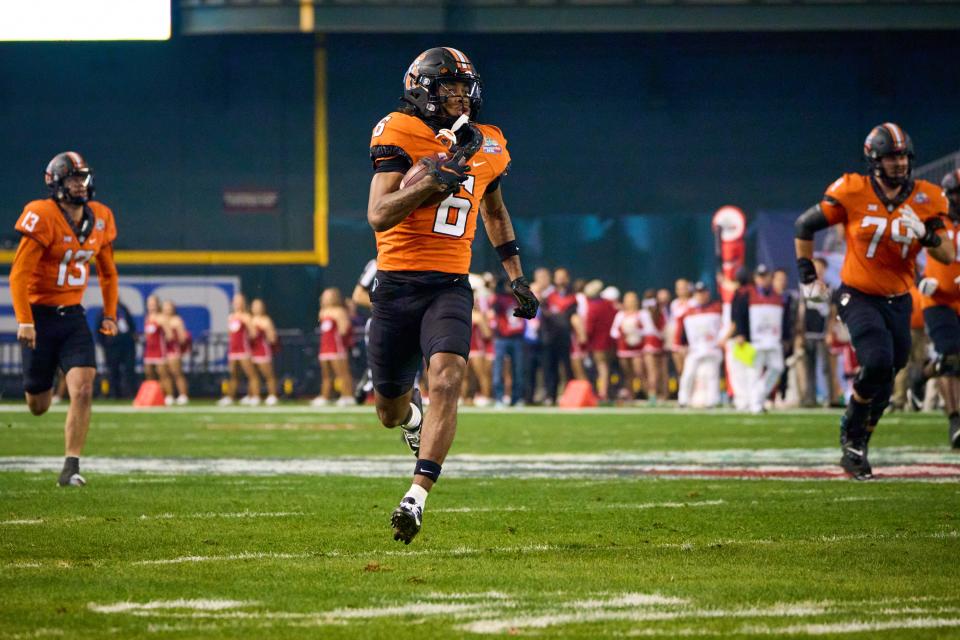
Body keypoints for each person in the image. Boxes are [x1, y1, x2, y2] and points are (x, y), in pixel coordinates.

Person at [366, 46, 537, 543]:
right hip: (397, 284)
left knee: (447, 375)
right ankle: (411, 416)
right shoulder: (397, 130)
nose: (460, 96)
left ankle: (416, 496)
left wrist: (516, 276)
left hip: (450, 284)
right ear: (421, 86)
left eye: (465, 87)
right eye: (449, 87)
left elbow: (494, 211)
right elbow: (379, 215)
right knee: (389, 411)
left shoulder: (489, 143)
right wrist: (431, 181)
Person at [794, 122, 955, 478]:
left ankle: (859, 443)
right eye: (891, 156)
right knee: (878, 361)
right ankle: (851, 429)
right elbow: (804, 225)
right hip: (858, 294)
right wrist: (807, 277)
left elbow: (946, 254)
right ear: (874, 159)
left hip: (899, 298)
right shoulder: (852, 189)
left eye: (903, 156)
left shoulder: (927, 196)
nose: (899, 163)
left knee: (888, 373)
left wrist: (926, 234)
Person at [10, 151, 118, 486]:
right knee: (38, 404)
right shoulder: (41, 214)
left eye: (83, 177)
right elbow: (18, 274)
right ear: (56, 182)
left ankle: (71, 465)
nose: (80, 185)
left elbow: (109, 273)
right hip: (40, 317)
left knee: (84, 389)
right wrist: (25, 320)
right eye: (72, 178)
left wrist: (110, 314)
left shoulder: (100, 216)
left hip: (72, 317)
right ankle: (50, 375)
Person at [918, 170, 960, 445]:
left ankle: (919, 375)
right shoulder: (935, 218)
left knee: (952, 359)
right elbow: (902, 250)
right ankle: (955, 421)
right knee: (952, 355)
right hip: (937, 300)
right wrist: (919, 279)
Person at [729, 265, 784, 414]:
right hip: (755, 341)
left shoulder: (777, 295)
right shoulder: (746, 293)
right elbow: (738, 314)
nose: (762, 279)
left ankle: (757, 396)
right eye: (760, 276)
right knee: (754, 372)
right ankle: (755, 404)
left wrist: (785, 337)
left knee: (777, 367)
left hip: (773, 340)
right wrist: (740, 333)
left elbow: (782, 319)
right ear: (755, 278)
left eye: (765, 276)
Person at [677, 282, 724, 408]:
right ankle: (683, 400)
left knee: (712, 374)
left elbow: (723, 327)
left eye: (703, 292)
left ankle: (712, 400)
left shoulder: (717, 308)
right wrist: (682, 345)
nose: (701, 295)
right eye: (698, 293)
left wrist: (721, 340)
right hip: (695, 349)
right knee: (688, 374)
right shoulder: (688, 311)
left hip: (712, 347)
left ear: (708, 293)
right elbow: (682, 330)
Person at [313, 288, 354, 407]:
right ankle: (325, 396)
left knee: (342, 373)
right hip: (324, 348)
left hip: (337, 348)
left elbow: (344, 329)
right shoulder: (322, 312)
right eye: (324, 296)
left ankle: (347, 396)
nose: (325, 299)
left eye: (328, 296)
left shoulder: (339, 311)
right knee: (326, 375)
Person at [491, 277, 527, 407]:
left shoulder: (520, 298)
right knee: (498, 369)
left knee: (518, 369)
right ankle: (499, 398)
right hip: (502, 338)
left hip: (517, 338)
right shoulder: (499, 298)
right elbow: (494, 307)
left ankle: (517, 398)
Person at [219, 293, 259, 406]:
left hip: (244, 350)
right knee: (233, 375)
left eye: (240, 301)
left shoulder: (246, 316)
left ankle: (255, 396)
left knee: (251, 374)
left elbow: (253, 333)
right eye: (236, 301)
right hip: (233, 350)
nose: (238, 304)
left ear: (243, 303)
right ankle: (230, 397)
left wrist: (247, 338)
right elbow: (230, 334)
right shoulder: (231, 317)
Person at [583, 279, 617, 401]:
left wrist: (584, 339)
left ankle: (603, 392)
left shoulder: (593, 307)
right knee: (607, 366)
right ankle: (608, 391)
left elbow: (589, 328)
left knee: (602, 367)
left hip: (598, 342)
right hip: (611, 341)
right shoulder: (609, 304)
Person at [95, 298, 136, 398]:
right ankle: (115, 394)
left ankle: (131, 393)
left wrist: (131, 338)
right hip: (112, 347)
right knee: (113, 371)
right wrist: (104, 344)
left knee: (129, 370)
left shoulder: (123, 309)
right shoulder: (103, 312)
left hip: (127, 345)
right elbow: (98, 330)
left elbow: (131, 325)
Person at [610, 291, 644, 403]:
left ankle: (648, 393)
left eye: (632, 301)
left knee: (639, 371)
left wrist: (637, 333)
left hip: (638, 348)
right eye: (628, 301)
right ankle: (631, 395)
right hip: (624, 348)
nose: (630, 303)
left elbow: (647, 330)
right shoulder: (620, 315)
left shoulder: (641, 314)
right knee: (627, 374)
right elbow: (613, 331)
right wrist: (624, 335)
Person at [142, 295, 172, 400]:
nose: (151, 307)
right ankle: (152, 396)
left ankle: (169, 395)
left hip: (159, 350)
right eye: (149, 304)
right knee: (149, 373)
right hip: (149, 350)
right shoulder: (147, 318)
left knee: (163, 374)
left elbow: (169, 335)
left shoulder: (161, 318)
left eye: (153, 304)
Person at [250, 298, 279, 406]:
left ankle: (272, 395)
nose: (256, 308)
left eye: (258, 306)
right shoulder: (250, 319)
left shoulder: (266, 320)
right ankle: (255, 395)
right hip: (252, 351)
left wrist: (265, 332)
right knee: (253, 375)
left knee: (268, 375)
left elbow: (272, 338)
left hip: (263, 351)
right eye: (254, 306)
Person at [161, 300, 190, 405]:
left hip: (173, 350)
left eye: (169, 307)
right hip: (162, 351)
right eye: (165, 307)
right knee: (164, 374)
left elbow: (183, 337)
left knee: (177, 373)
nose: (167, 309)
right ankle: (169, 395)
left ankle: (183, 395)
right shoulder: (160, 319)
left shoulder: (177, 320)